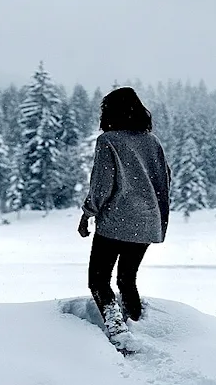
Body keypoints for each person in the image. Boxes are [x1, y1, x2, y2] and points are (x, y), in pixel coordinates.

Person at [78, 87, 171, 336]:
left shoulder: (109, 141)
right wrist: (159, 220)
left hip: (116, 223)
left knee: (98, 280)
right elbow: (164, 181)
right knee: (126, 280)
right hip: (146, 223)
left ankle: (117, 329)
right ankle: (137, 326)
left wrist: (88, 213)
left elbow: (101, 184)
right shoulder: (152, 141)